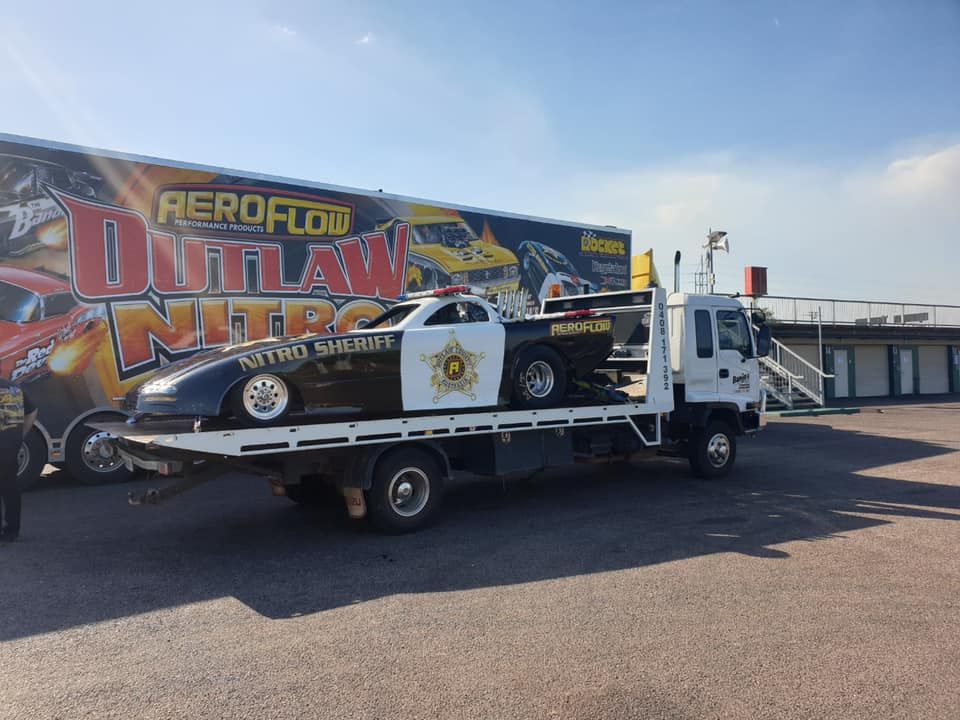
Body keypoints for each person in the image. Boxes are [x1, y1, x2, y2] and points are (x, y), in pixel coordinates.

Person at [0, 379, 36, 544]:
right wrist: (21, 435)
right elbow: (33, 411)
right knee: (10, 489)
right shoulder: (15, 389)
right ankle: (12, 531)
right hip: (11, 447)